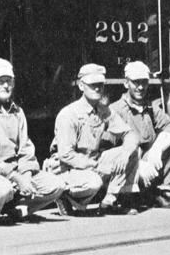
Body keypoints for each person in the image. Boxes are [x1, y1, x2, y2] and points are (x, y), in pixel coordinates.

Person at [0, 58, 65, 225]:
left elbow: (26, 149)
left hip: (14, 172)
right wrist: (16, 177)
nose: (5, 86)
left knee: (56, 185)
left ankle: (14, 210)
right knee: (1, 188)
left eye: (9, 81)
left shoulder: (18, 112)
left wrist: (27, 174)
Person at [48, 63, 140, 215]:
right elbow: (66, 155)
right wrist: (96, 166)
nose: (97, 88)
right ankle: (64, 195)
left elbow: (130, 135)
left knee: (132, 151)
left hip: (92, 162)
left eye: (100, 84)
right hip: (66, 168)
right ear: (81, 86)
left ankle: (111, 201)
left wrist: (124, 154)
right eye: (92, 85)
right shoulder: (69, 114)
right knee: (94, 182)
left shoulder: (103, 110)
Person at [108, 61, 170, 209]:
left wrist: (157, 150)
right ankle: (124, 196)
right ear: (126, 83)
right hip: (128, 162)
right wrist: (137, 164)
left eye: (144, 82)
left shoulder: (150, 108)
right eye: (136, 83)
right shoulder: (115, 110)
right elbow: (108, 148)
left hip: (146, 158)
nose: (141, 87)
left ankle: (158, 192)